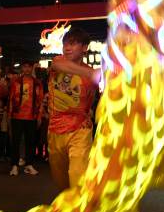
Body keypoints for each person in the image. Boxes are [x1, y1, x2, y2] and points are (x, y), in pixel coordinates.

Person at [46, 27, 99, 191]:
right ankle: (69, 205)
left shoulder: (95, 74)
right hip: (55, 129)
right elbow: (60, 65)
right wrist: (92, 74)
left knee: (78, 175)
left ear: (84, 48)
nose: (67, 48)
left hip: (80, 130)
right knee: (60, 180)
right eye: (65, 44)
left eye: (73, 44)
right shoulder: (58, 62)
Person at [8, 60, 43, 176]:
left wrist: (39, 116)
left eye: (29, 67)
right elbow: (11, 99)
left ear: (32, 68)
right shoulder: (15, 82)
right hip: (17, 116)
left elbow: (40, 101)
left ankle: (29, 165)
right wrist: (9, 115)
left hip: (31, 117)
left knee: (30, 142)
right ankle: (14, 165)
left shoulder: (37, 83)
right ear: (22, 68)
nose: (27, 69)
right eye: (25, 67)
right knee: (16, 141)